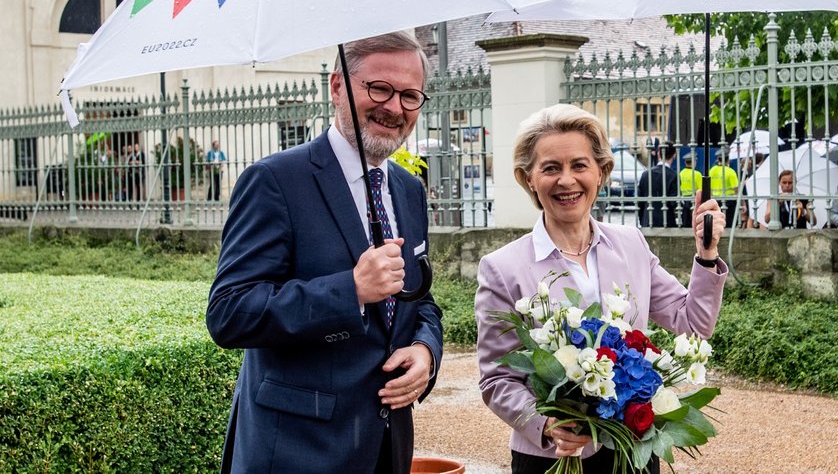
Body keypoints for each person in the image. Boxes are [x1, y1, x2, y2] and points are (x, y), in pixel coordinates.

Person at [206, 32, 444, 474]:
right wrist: (350, 289)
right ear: (337, 87)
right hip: (296, 451)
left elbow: (419, 300)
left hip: (385, 449)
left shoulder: (408, 189)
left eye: (410, 96)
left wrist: (425, 351)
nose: (394, 108)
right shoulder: (275, 180)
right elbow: (230, 313)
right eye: (379, 89)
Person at [475, 104, 727, 474]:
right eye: (550, 168)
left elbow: (693, 324)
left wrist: (707, 254)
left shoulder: (631, 245)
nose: (566, 180)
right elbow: (497, 378)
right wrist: (546, 425)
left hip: (632, 448)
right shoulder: (502, 268)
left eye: (579, 165)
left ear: (601, 172)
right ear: (528, 178)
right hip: (552, 457)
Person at [637, 140, 678, 228]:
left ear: (659, 154)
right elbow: (674, 202)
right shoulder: (673, 176)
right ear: (674, 155)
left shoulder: (646, 174)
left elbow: (640, 201)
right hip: (667, 222)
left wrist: (642, 219)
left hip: (648, 220)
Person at [709, 151, 739, 227]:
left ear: (718, 159)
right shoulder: (731, 172)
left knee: (717, 224)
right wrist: (742, 204)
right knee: (729, 224)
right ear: (728, 159)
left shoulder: (712, 171)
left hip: (716, 201)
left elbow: (708, 188)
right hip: (729, 201)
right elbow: (736, 190)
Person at [678, 152, 703, 228]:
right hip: (694, 200)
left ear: (685, 162)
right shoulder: (697, 174)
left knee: (685, 222)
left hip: (683, 200)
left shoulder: (680, 173)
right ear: (694, 161)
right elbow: (700, 190)